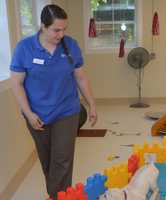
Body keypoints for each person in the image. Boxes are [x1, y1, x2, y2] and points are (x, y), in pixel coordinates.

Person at [10, 4, 97, 200]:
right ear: (43, 26)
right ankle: (57, 194)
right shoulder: (25, 48)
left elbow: (81, 77)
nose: (61, 34)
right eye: (56, 30)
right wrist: (29, 114)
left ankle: (59, 196)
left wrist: (92, 103)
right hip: (37, 114)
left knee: (63, 159)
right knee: (47, 159)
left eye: (64, 29)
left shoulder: (70, 45)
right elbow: (16, 83)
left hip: (67, 110)